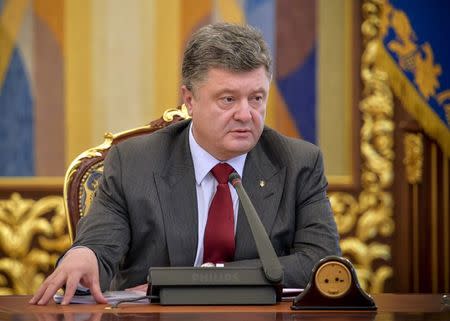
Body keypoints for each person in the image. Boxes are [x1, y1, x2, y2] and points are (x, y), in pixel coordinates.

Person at [30, 23, 341, 305]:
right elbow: (100, 244)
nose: (246, 115)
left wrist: (208, 276)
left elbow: (321, 262)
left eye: (257, 98)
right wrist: (85, 254)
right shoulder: (134, 163)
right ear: (189, 100)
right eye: (228, 99)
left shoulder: (299, 163)